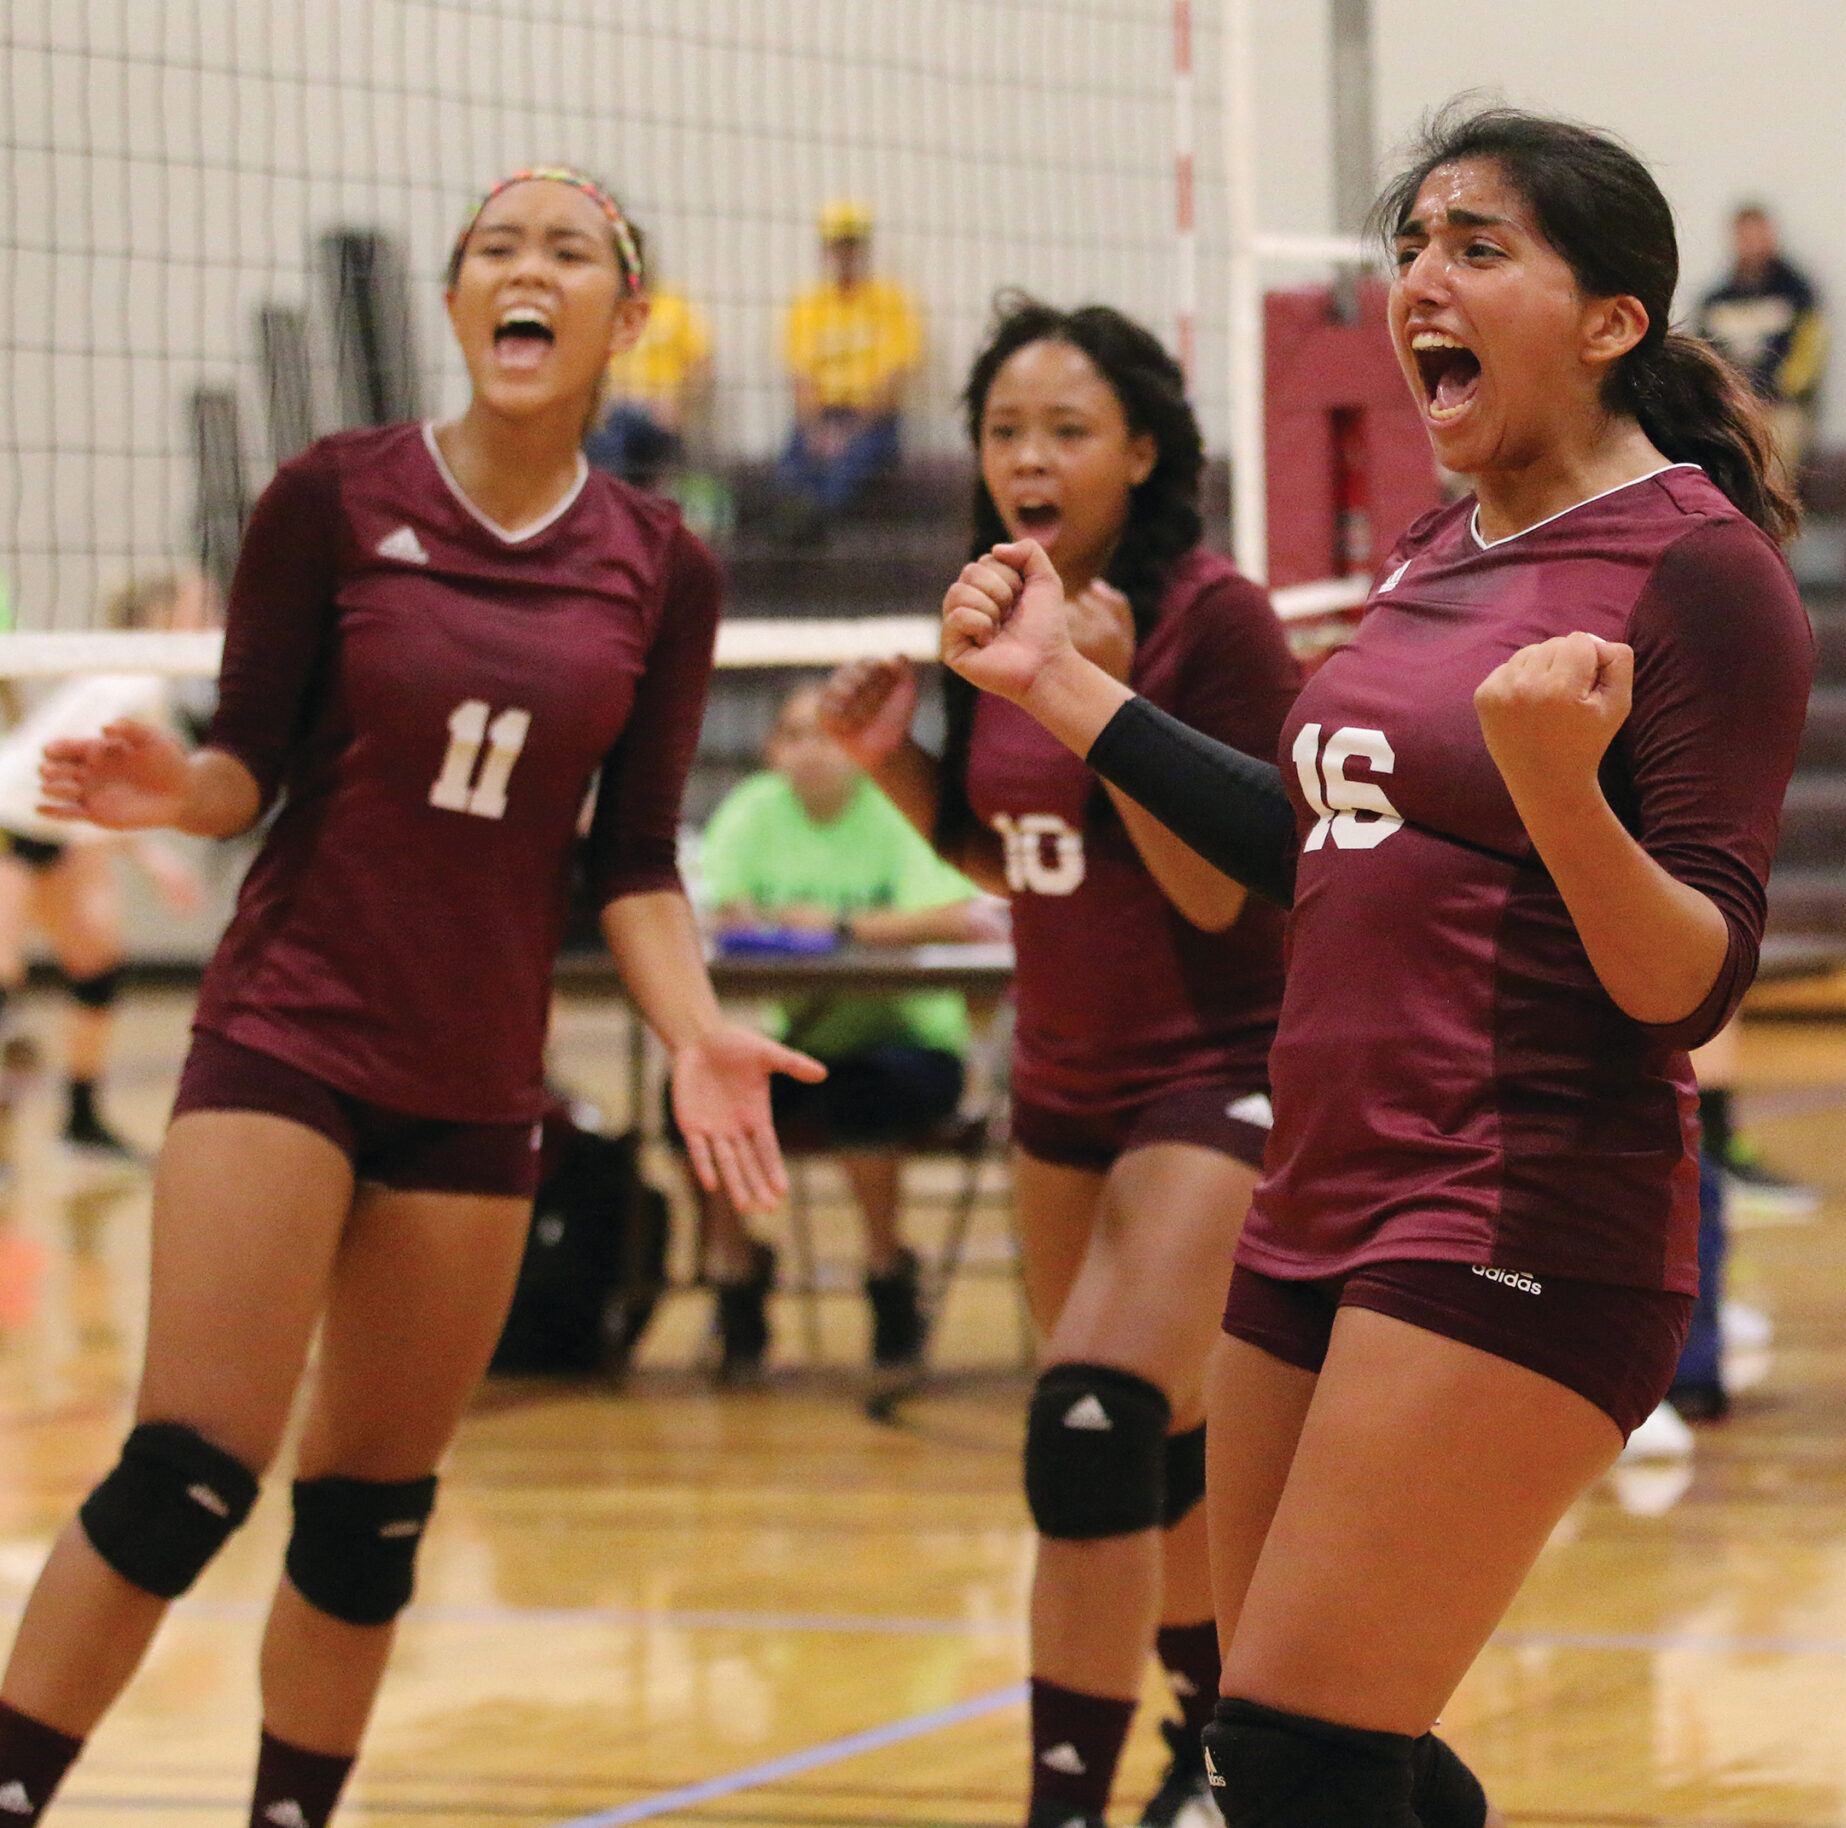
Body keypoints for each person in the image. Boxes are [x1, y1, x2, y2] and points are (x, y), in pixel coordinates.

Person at [923, 105, 1811, 1826]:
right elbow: (1307, 840)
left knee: (1304, 1756)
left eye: (1478, 247)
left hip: (1520, 1201)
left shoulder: (1699, 571)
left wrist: (1560, 786)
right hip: (1322, 1189)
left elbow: (1691, 981)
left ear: (1613, 318)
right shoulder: (1433, 547)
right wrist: (1059, 688)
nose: (1422, 278)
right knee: (1318, 1754)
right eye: (1411, 246)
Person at [0, 168, 817, 1828]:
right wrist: (174, 791)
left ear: (624, 318)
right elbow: (248, 763)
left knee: (369, 1512)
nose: (525, 270)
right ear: (458, 307)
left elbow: (638, 857)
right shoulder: (332, 492)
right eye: (494, 251)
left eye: (565, 251)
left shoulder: (661, 562)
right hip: (289, 1029)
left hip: (474, 1080)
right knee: (189, 1468)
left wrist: (697, 1031)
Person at [825, 298, 1297, 1828]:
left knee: (1090, 1417)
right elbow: (1005, 846)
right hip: (1064, 1087)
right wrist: (895, 764)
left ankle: (1068, 1810)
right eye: (1006, 430)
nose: (1028, 458)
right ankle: (1215, 1754)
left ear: (1142, 452)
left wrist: (1108, 701)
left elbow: (1224, 885)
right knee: (1144, 1443)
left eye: (1067, 430)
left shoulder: (1210, 619)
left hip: (1220, 1073)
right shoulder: (984, 609)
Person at [691, 680, 1000, 1376]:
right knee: (702, 1105)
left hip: (914, 1047)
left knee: (864, 1098)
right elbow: (723, 913)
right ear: (772, 749)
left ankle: (888, 1276)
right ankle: (737, 1274)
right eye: (795, 735)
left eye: (827, 735)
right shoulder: (750, 811)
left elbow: (960, 917)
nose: (812, 752)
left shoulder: (897, 808)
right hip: (800, 1044)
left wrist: (838, 928)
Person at [0, 573, 216, 1167]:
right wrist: (157, 863)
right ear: (163, 617)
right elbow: (86, 780)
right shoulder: (133, 679)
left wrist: (154, 862)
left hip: (59, 825)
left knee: (94, 962)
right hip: (10, 817)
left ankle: (81, 1121)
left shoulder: (139, 679)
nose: (214, 615)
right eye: (201, 606)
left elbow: (92, 788)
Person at [779, 200, 922, 522]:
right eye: (838, 246)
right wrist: (817, 430)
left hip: (873, 423)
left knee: (843, 477)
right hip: (821, 417)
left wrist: (849, 433)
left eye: (852, 245)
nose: (845, 255)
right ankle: (805, 528)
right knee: (790, 473)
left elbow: (892, 385)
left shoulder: (892, 302)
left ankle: (809, 529)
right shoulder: (807, 306)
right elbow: (801, 380)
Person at [1691, 202, 1826, 473]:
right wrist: (1728, 395)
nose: (1751, 243)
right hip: (1731, 402)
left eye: (1758, 234)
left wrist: (1769, 393)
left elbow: (1808, 355)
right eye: (1744, 235)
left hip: (1782, 405)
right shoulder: (1716, 300)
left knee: (1776, 447)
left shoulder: (1798, 295)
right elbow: (1705, 356)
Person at [588, 271, 712, 488]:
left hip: (658, 412)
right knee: (611, 434)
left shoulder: (673, 305)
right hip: (612, 409)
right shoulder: (605, 306)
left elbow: (702, 365)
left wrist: (681, 407)